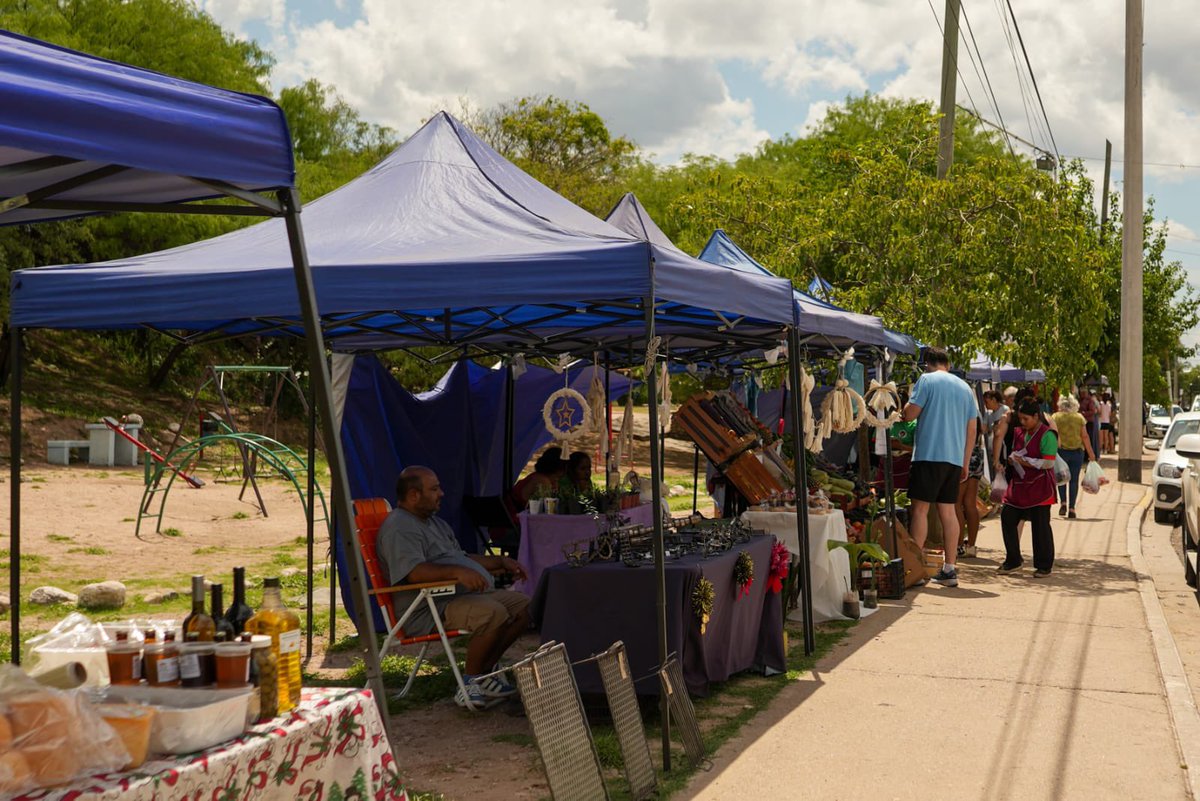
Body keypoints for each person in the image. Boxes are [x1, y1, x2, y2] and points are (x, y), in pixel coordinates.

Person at [378, 466, 530, 708]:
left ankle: (485, 673)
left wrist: (499, 562)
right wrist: (458, 572)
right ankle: (469, 682)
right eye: (435, 489)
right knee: (493, 613)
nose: (442, 493)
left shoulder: (434, 523)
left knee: (524, 607)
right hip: (430, 606)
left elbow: (461, 558)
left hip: (460, 596)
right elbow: (415, 573)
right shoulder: (400, 527)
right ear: (414, 495)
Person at [903, 347, 978, 587]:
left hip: (928, 454)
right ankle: (949, 569)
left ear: (927, 363)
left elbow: (911, 414)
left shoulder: (926, 379)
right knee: (948, 512)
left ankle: (916, 568)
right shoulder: (965, 388)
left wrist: (904, 408)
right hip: (954, 459)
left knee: (920, 511)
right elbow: (972, 429)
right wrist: (964, 462)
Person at [998, 398, 1059, 577]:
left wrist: (1025, 462)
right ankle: (1013, 560)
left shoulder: (1047, 434)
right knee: (1007, 517)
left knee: (1040, 526)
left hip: (1040, 488)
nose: (1023, 423)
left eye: (1026, 419)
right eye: (1021, 419)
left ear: (1036, 416)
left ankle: (1044, 565)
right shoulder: (1018, 432)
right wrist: (1012, 459)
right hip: (1019, 486)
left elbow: (1048, 463)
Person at [1051, 395, 1096, 519]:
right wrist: (1091, 454)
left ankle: (1063, 503)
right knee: (1074, 480)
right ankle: (1072, 508)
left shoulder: (1055, 417)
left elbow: (1053, 434)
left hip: (1061, 452)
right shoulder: (1079, 418)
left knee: (1061, 478)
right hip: (1077, 453)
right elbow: (1085, 436)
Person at [956, 409, 985, 558]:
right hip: (977, 455)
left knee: (956, 504)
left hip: (964, 456)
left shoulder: (963, 416)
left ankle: (959, 545)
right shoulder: (975, 414)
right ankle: (971, 546)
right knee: (970, 504)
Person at [1078, 388, 1100, 461]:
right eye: (1081, 393)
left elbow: (1093, 411)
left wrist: (1084, 414)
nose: (1082, 394)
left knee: (1089, 439)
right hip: (1081, 422)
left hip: (1089, 422)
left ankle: (1090, 455)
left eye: (1083, 393)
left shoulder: (1090, 400)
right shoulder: (1079, 400)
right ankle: (1084, 456)